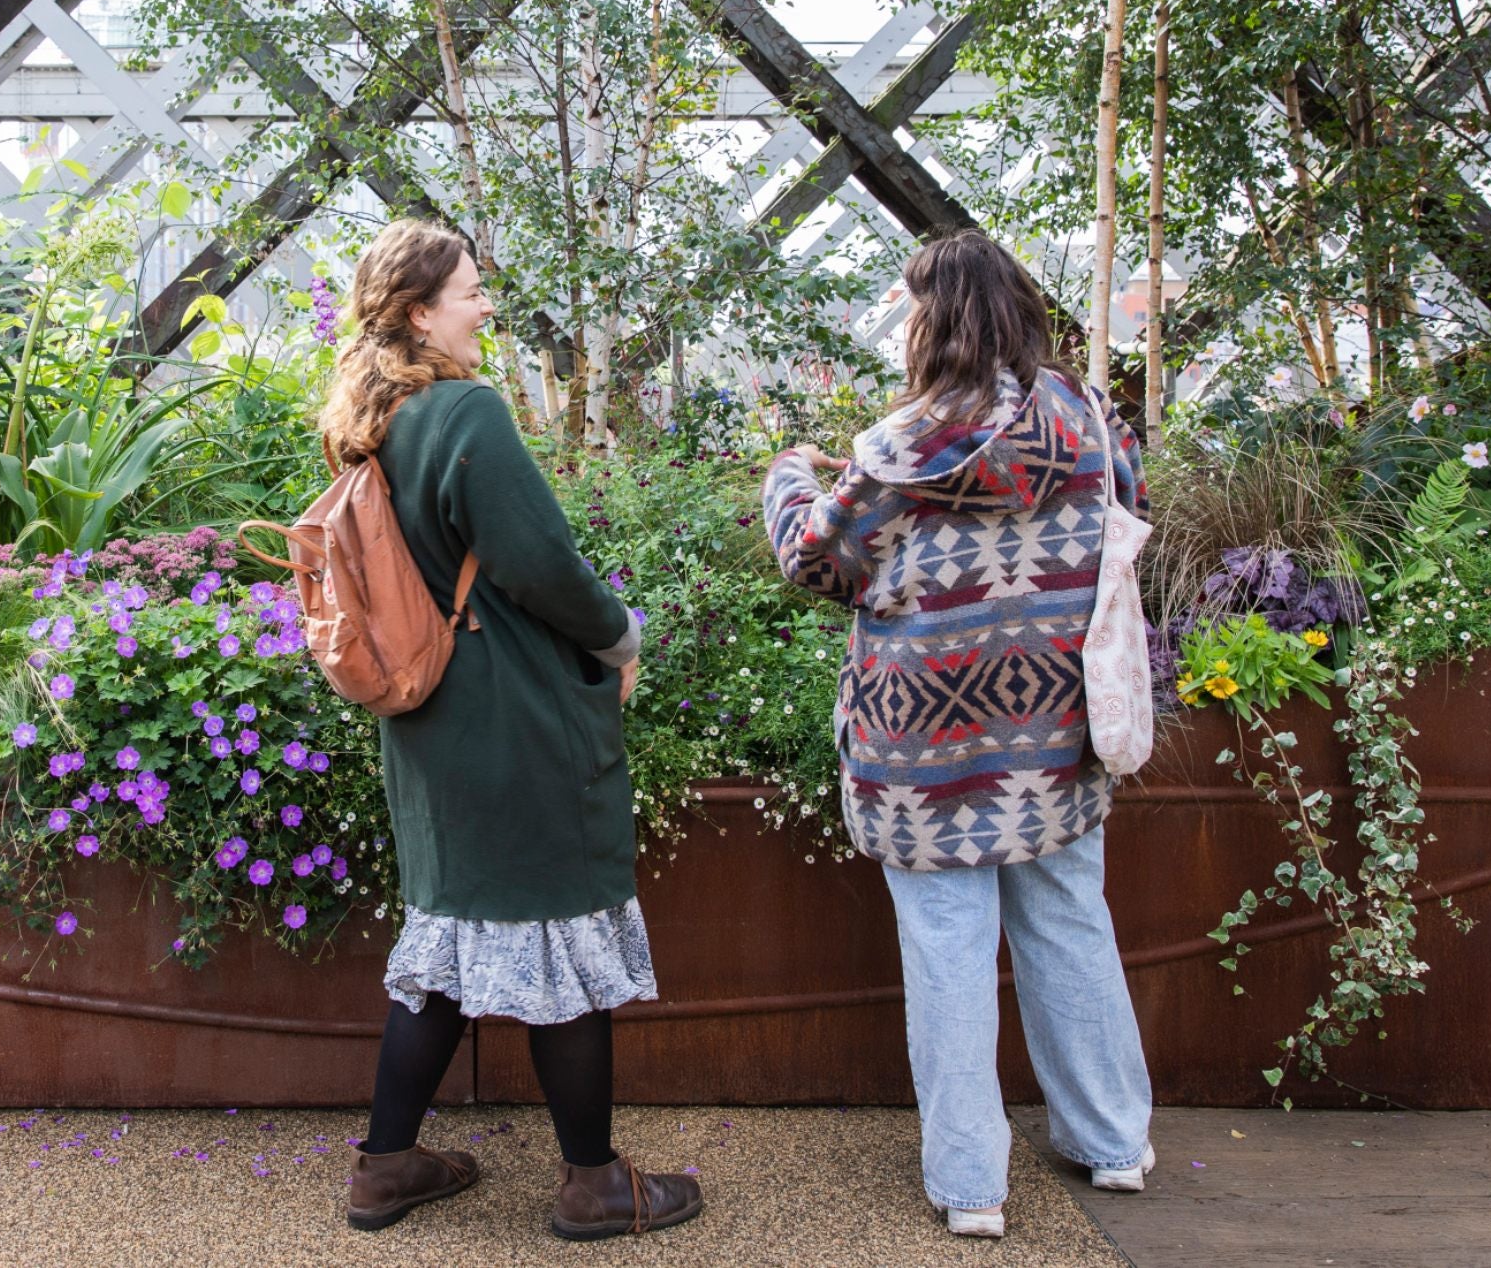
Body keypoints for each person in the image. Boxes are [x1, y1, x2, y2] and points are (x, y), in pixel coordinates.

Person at [760, 230, 1156, 1240]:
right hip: (1054, 729)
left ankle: (974, 1186)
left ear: (935, 320)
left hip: (921, 749)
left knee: (947, 948)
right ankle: (1113, 1144)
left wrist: (790, 478)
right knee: (1070, 920)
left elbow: (818, 560)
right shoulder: (1091, 419)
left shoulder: (898, 450)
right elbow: (1129, 522)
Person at [322, 219, 703, 1241]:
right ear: (420, 312)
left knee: (456, 935)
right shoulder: (465, 413)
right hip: (509, 712)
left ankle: (387, 1168)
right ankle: (593, 1185)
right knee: (555, 923)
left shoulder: (374, 421)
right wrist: (620, 638)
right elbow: (538, 560)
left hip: (430, 720)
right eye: (471, 292)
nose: (486, 306)